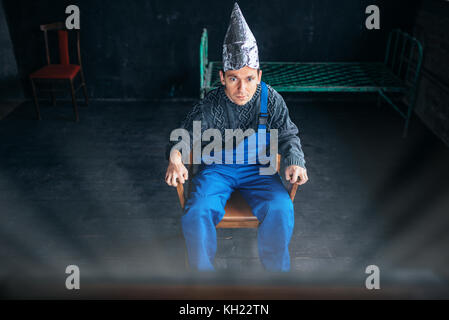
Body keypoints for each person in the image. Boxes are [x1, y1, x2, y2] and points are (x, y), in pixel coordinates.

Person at [165, 3, 308, 272]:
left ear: (259, 76)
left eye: (249, 78)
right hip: (217, 170)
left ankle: (278, 276)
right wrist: (175, 158)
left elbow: (288, 134)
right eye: (233, 79)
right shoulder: (210, 104)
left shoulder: (271, 99)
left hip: (259, 170)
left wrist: (294, 161)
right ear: (221, 77)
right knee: (197, 213)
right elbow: (183, 136)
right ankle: (202, 278)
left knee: (281, 208)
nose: (242, 89)